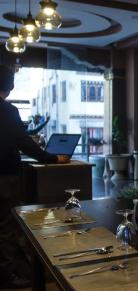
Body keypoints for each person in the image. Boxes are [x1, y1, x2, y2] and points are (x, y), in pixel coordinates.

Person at [0, 65, 69, 289]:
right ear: (9, 87)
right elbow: (23, 142)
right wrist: (51, 158)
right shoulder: (7, 110)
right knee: (5, 227)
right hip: (4, 179)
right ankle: (6, 277)